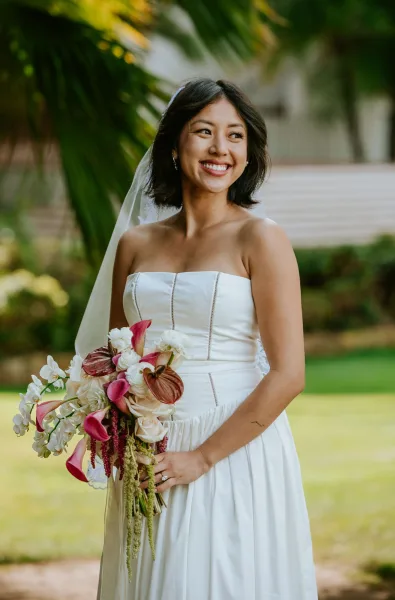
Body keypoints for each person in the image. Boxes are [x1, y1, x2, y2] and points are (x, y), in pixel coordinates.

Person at [89, 78, 318, 599]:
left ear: (249, 152)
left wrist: (203, 457)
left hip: (234, 444)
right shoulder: (135, 244)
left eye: (235, 136)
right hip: (151, 450)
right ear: (174, 144)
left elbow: (289, 374)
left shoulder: (261, 238)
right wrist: (118, 427)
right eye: (204, 132)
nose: (221, 149)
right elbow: (114, 361)